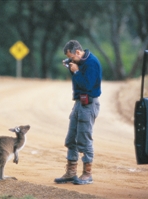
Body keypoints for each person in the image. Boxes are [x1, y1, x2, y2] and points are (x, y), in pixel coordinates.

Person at [54, 40, 102, 185]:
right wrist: (71, 67)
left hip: (89, 104)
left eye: (72, 57)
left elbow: (87, 85)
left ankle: (87, 174)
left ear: (78, 52)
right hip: (79, 103)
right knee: (71, 139)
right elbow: (79, 79)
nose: (72, 60)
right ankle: (71, 172)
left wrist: (75, 70)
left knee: (84, 139)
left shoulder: (92, 63)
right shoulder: (81, 61)